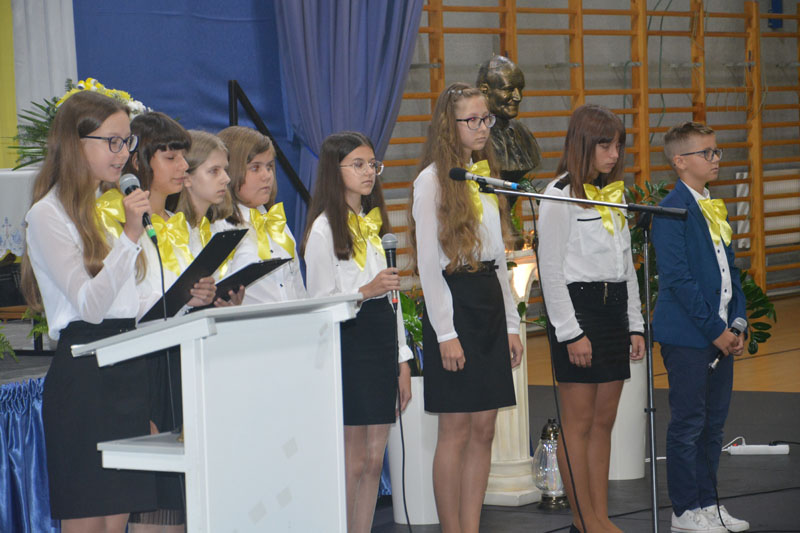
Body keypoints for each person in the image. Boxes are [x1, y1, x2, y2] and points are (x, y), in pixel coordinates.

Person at [20, 90, 155, 532]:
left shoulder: (109, 208)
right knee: (89, 522)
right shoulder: (47, 215)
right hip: (85, 373)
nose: (123, 153)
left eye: (128, 141)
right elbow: (91, 307)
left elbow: (131, 304)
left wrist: (191, 298)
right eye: (112, 141)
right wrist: (130, 236)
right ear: (76, 145)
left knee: (117, 523)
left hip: (127, 367)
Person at [408, 82, 524, 533]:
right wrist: (446, 333)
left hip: (489, 303)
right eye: (471, 120)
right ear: (448, 125)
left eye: (485, 119)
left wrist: (511, 324)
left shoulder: (484, 177)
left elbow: (499, 262)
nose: (482, 127)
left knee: (484, 429)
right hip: (454, 306)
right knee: (455, 430)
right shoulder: (431, 182)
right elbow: (429, 266)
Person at [537, 103, 645, 533]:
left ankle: (600, 516)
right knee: (578, 424)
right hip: (578, 312)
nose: (614, 154)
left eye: (618, 146)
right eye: (605, 145)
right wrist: (570, 333)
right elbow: (550, 270)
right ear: (583, 144)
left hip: (614, 309)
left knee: (604, 422)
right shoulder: (558, 194)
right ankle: (583, 520)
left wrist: (634, 323)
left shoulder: (613, 194)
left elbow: (626, 266)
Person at [302, 131, 412, 533]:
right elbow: (319, 304)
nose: (369, 173)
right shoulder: (323, 230)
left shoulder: (373, 225)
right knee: (354, 460)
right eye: (359, 165)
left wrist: (402, 358)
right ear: (335, 170)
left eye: (373, 165)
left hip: (382, 339)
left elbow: (392, 298)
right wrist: (365, 291)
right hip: (349, 343)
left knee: (374, 457)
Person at [122, 112, 217, 532]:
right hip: (146, 367)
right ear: (139, 161)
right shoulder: (120, 222)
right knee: (154, 503)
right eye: (171, 157)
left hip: (183, 362)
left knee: (184, 503)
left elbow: (177, 297)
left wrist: (203, 296)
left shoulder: (179, 225)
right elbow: (127, 307)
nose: (182, 166)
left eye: (183, 156)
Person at [653, 122, 749, 533]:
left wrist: (738, 324)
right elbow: (679, 280)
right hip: (689, 336)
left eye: (716, 151)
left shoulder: (711, 205)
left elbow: (731, 273)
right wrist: (715, 330)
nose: (715, 159)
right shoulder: (671, 210)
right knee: (689, 425)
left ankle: (709, 504)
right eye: (706, 153)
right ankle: (685, 510)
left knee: (713, 426)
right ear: (680, 162)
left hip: (720, 333)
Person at [217, 126, 306, 303]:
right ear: (230, 171)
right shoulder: (221, 229)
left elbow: (298, 289)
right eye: (255, 168)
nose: (267, 176)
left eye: (269, 166)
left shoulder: (276, 223)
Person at [476, 55, 541, 183]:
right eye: (509, 89)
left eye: (520, 89)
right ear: (485, 91)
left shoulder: (523, 132)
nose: (518, 97)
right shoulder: (474, 136)